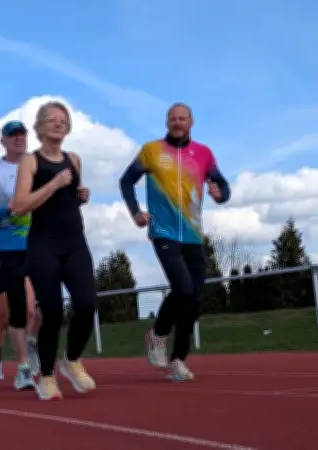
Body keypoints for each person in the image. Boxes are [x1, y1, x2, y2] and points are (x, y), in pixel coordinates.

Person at [119, 102, 230, 382]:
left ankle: (178, 360)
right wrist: (135, 212)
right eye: (173, 119)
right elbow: (125, 181)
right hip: (163, 232)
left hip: (193, 235)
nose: (177, 123)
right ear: (167, 123)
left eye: (182, 119)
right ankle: (157, 335)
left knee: (194, 300)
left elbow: (222, 185)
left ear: (191, 122)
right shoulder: (151, 151)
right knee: (182, 288)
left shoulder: (204, 154)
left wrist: (220, 194)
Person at [12, 101, 97, 400]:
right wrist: (54, 184)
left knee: (87, 303)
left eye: (63, 120)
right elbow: (19, 205)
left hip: (75, 242)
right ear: (39, 127)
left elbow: (69, 198)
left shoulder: (74, 159)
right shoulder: (30, 162)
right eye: (51, 119)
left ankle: (72, 360)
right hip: (43, 245)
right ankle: (46, 375)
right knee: (53, 311)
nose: (58, 124)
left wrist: (80, 195)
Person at [0, 120, 35, 390]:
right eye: (13, 135)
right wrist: (7, 211)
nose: (19, 139)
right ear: (3, 140)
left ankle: (29, 351)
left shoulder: (37, 164)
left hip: (37, 245)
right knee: (5, 316)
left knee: (33, 310)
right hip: (6, 253)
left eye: (22, 134)